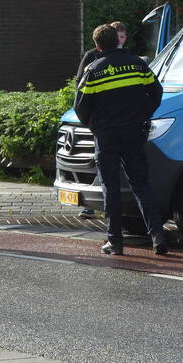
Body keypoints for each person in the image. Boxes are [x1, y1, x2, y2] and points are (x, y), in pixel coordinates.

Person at [75, 24, 168, 256]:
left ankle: (115, 242)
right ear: (117, 41)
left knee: (111, 187)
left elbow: (80, 108)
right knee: (141, 185)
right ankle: (157, 236)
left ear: (97, 46)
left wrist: (95, 126)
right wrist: (143, 115)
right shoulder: (137, 64)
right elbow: (156, 92)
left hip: (106, 136)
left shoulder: (93, 70)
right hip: (134, 133)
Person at [74, 22, 128, 218]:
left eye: (123, 37)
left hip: (113, 126)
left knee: (113, 173)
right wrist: (92, 123)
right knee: (102, 168)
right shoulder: (92, 59)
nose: (121, 40)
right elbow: (80, 88)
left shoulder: (128, 59)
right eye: (118, 37)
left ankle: (115, 224)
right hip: (103, 125)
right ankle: (92, 205)